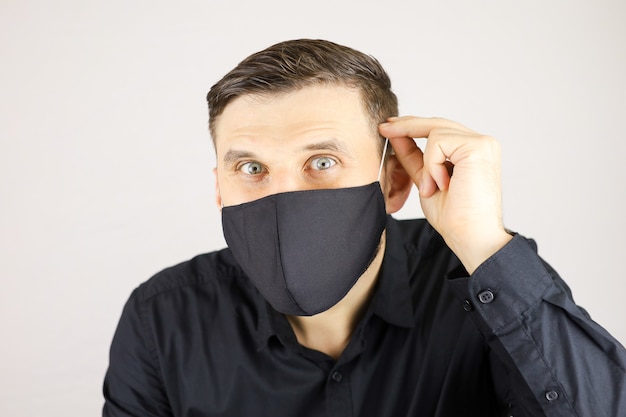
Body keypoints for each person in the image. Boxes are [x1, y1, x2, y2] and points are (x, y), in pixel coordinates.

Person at [103, 39, 626, 417]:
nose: (284, 197)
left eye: (323, 161)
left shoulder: (484, 287)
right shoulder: (162, 319)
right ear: (219, 189)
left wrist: (484, 243)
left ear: (393, 181)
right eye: (252, 169)